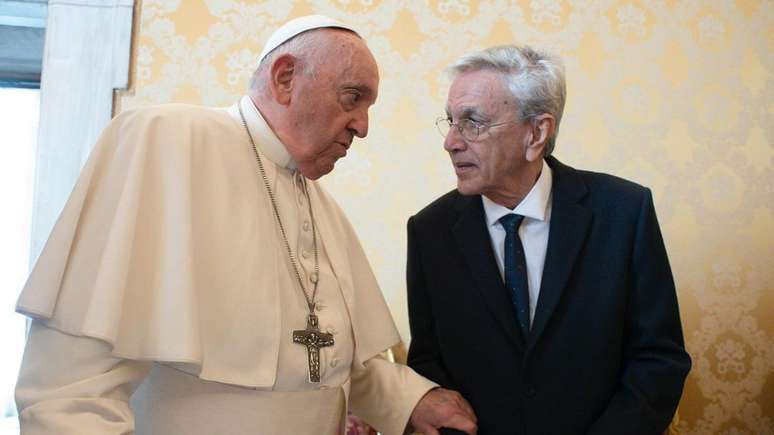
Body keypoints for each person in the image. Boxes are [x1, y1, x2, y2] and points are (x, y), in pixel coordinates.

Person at [14, 15, 477, 435]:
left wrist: (411, 399)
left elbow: (322, 361)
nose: (362, 126)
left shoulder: (320, 205)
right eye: (353, 98)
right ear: (285, 78)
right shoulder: (169, 142)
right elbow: (69, 394)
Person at [405, 45, 691, 435]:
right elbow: (428, 366)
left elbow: (658, 358)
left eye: (472, 122)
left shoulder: (624, 213)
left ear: (537, 132)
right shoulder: (429, 231)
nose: (451, 142)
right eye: (451, 121)